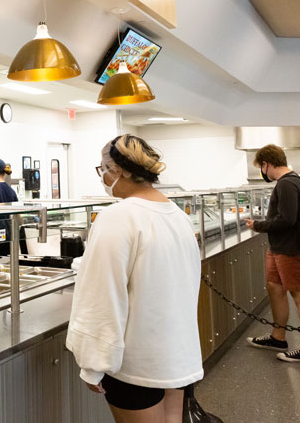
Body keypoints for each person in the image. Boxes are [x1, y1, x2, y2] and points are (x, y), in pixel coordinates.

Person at [66, 135, 203, 422]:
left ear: (121, 170)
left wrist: (92, 364)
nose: (103, 176)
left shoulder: (118, 216)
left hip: (136, 364)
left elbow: (102, 296)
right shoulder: (177, 215)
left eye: (103, 168)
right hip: (175, 356)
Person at [244, 144, 300, 363]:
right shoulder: (291, 182)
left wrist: (258, 225)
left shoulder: (287, 184)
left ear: (267, 164)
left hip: (292, 249)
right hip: (281, 248)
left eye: (261, 167)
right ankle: (278, 337)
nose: (262, 172)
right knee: (275, 288)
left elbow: (287, 219)